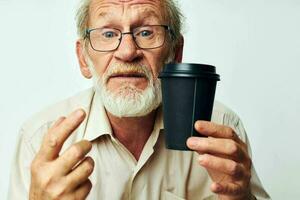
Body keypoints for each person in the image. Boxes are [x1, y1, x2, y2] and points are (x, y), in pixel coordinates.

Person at [8, 0, 271, 199]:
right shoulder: (39, 138)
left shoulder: (221, 130)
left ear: (176, 53)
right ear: (83, 59)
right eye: (109, 34)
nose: (127, 51)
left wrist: (243, 198)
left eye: (146, 32)